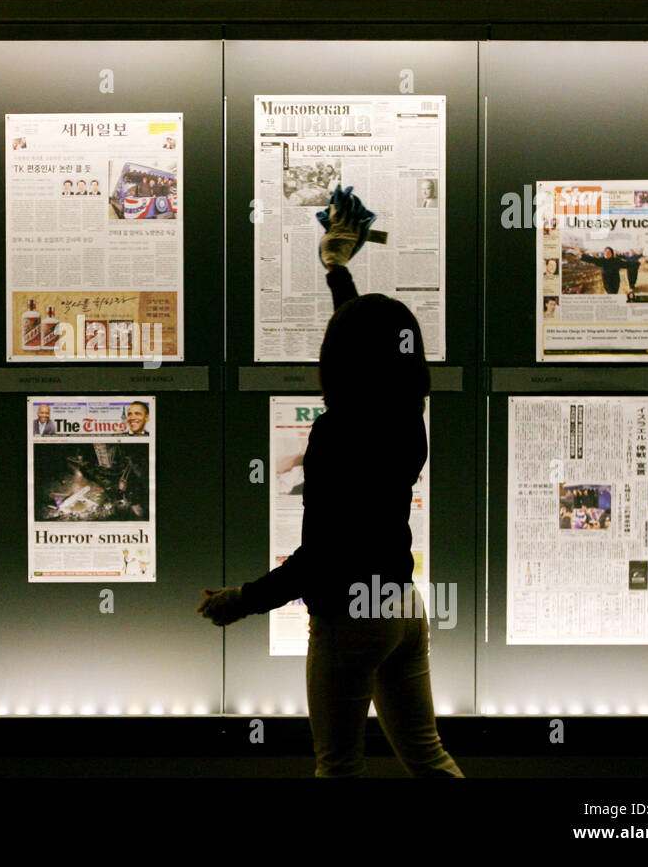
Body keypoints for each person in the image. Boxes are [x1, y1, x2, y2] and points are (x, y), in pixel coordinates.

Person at [198, 186, 462, 779]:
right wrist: (338, 274)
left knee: (337, 765)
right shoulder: (406, 418)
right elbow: (372, 346)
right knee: (427, 755)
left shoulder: (339, 434)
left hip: (349, 621)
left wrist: (242, 600)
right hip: (398, 606)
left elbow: (324, 556)